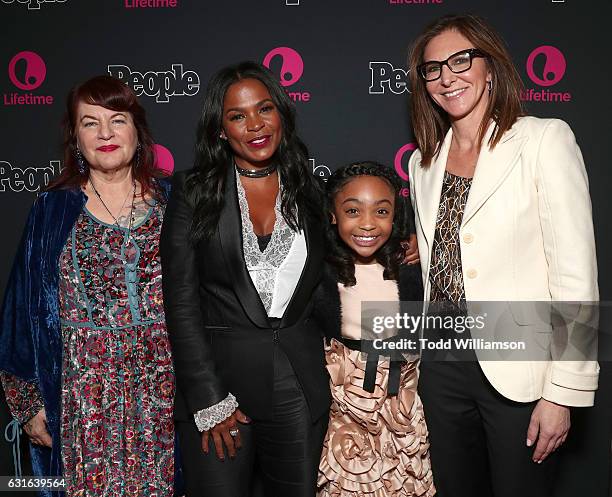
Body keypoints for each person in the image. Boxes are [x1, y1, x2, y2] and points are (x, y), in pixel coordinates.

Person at [406, 14, 599, 497]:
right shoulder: (422, 161)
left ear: (490, 67)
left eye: (460, 60)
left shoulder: (543, 140)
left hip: (520, 368)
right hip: (444, 366)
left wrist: (563, 394)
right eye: (433, 69)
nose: (447, 77)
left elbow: (575, 276)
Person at [160, 61, 331, 497]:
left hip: (297, 388)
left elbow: (337, 271)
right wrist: (208, 400)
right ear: (220, 129)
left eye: (264, 109)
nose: (255, 125)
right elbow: (181, 302)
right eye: (237, 116)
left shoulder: (309, 189)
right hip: (221, 393)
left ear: (282, 115)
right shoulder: (194, 191)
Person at [0, 75, 176, 496]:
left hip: (167, 390)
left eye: (117, 120)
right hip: (83, 397)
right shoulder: (52, 208)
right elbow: (20, 311)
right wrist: (28, 404)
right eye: (89, 123)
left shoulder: (177, 201)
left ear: (138, 130)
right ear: (75, 137)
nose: (105, 133)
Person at [312, 162, 435, 497]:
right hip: (345, 413)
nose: (367, 223)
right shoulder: (319, 272)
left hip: (401, 411)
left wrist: (421, 248)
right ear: (333, 215)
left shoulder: (412, 269)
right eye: (353, 210)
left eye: (381, 211)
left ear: (396, 216)